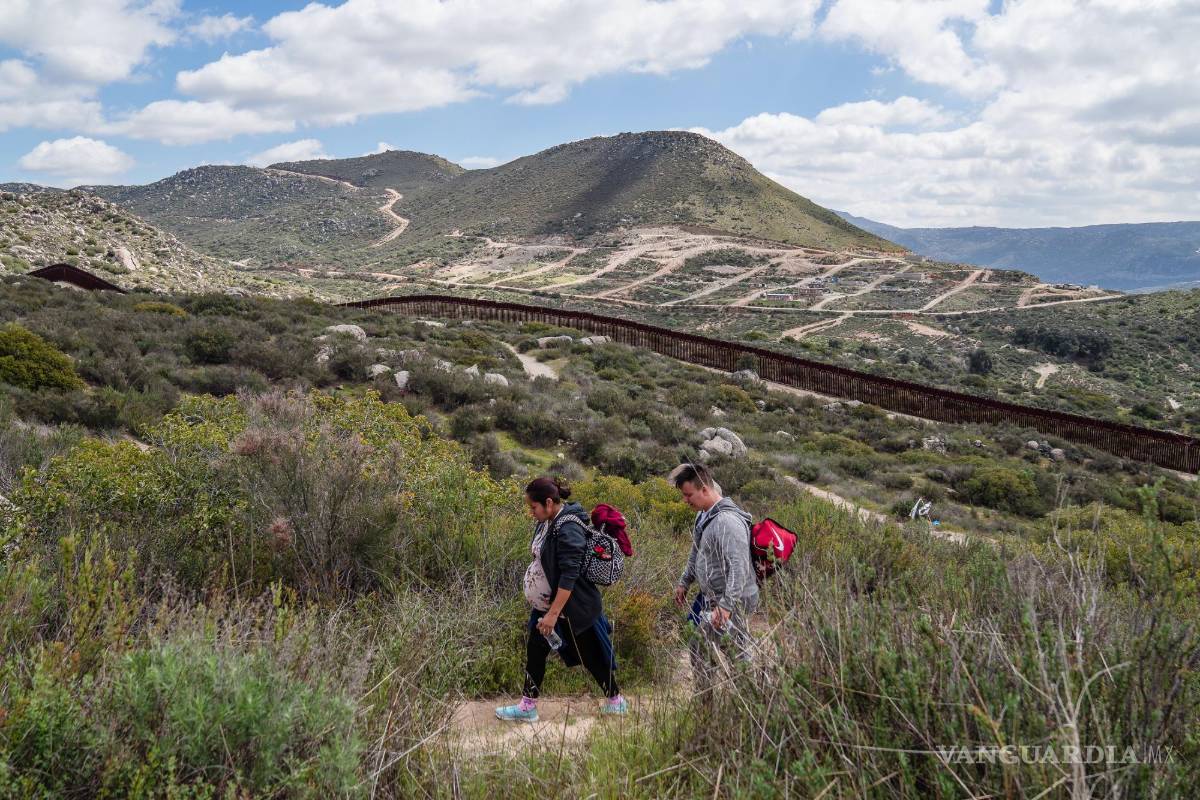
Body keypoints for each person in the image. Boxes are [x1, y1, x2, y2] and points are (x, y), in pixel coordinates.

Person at [496, 476, 627, 721]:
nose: (531, 512)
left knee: (591, 656)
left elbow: (569, 576)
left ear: (548, 502)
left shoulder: (568, 528)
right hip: (549, 606)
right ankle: (527, 706)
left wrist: (553, 615)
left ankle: (615, 700)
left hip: (571, 608)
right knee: (536, 650)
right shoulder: (547, 521)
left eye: (533, 507)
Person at [669, 462, 759, 686]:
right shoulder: (703, 516)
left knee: (717, 646)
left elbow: (739, 567)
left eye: (688, 495)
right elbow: (696, 551)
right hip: (714, 596)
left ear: (704, 489)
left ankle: (737, 696)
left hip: (735, 598)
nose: (685, 500)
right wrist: (685, 581)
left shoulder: (727, 521)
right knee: (718, 644)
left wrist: (727, 605)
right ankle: (732, 694)